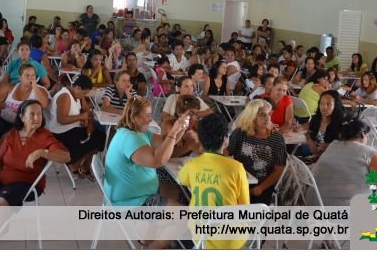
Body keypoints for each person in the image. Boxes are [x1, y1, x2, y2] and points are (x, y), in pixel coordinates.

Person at [0, 100, 69, 216]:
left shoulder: (45, 136)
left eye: (39, 114)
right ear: (22, 117)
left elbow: (66, 157)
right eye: (32, 114)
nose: (37, 117)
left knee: (0, 204)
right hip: (3, 179)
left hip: (27, 183)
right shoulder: (11, 136)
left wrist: (42, 152)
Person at [104, 97, 187, 220]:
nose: (151, 119)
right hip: (130, 203)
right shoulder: (129, 138)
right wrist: (174, 131)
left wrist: (181, 128)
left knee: (174, 191)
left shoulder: (138, 132)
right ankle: (153, 237)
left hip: (137, 195)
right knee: (184, 216)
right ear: (134, 117)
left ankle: (153, 231)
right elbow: (157, 160)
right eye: (147, 115)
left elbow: (165, 142)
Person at [178, 113, 250, 250]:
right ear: (225, 139)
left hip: (201, 236)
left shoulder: (192, 165)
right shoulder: (237, 168)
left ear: (201, 139)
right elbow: (244, 207)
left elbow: (181, 179)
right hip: (231, 240)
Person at [307, 118, 377, 206]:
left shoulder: (332, 146)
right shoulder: (368, 152)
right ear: (363, 135)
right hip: (344, 212)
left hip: (314, 204)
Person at [228, 99, 287, 205]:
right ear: (252, 117)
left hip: (263, 185)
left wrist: (261, 188)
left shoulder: (277, 139)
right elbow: (226, 153)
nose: (267, 118)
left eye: (269, 114)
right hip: (238, 183)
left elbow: (279, 170)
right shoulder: (239, 134)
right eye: (263, 115)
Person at [48, 75, 105, 180]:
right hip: (61, 134)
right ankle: (76, 164)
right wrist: (80, 117)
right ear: (78, 87)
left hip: (71, 129)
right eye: (84, 93)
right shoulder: (65, 96)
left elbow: (86, 110)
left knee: (100, 135)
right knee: (98, 138)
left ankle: (83, 166)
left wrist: (82, 99)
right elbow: (61, 120)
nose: (85, 95)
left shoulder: (75, 94)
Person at [0, 64, 50, 143]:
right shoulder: (9, 87)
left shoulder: (40, 90)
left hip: (25, 126)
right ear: (20, 78)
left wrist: (35, 87)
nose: (31, 78)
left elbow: (44, 104)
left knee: (9, 140)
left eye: (33, 75)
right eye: (27, 75)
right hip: (4, 120)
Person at [305, 90, 346, 160]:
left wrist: (330, 146)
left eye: (328, 104)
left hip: (335, 160)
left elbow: (346, 146)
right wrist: (309, 140)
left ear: (336, 105)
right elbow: (309, 134)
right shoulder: (316, 119)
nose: (324, 107)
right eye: (322, 103)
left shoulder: (342, 123)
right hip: (316, 158)